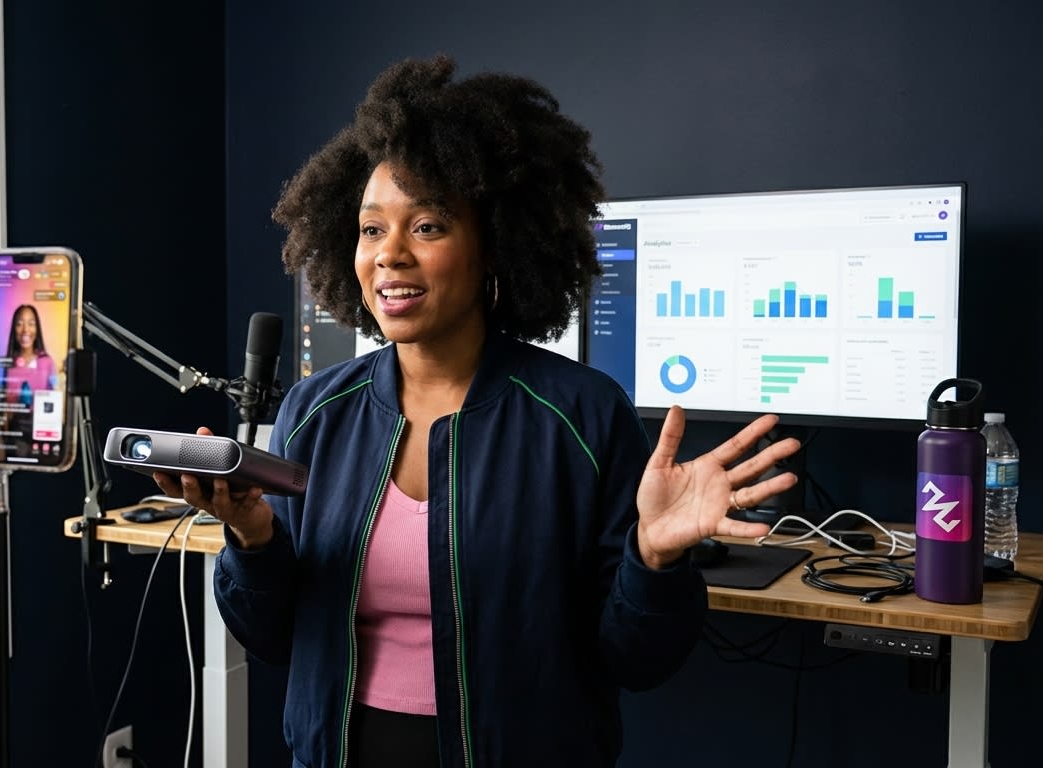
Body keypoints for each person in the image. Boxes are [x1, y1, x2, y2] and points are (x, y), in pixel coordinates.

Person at [154, 55, 800, 767]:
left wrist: (655, 558)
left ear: (493, 246)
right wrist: (251, 537)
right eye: (371, 230)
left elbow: (635, 660)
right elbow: (272, 638)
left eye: (426, 226)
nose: (389, 255)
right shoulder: (315, 412)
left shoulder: (580, 418)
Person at [2, 303, 57, 403]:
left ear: (37, 329)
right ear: (14, 330)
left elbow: (53, 397)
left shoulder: (47, 362)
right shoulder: (8, 363)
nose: (25, 330)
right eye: (19, 324)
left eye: (31, 324)